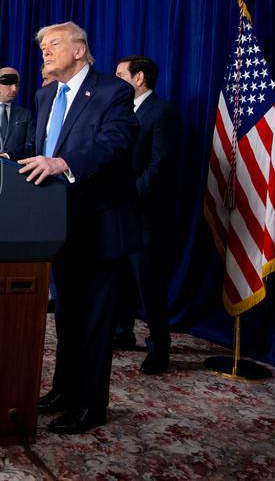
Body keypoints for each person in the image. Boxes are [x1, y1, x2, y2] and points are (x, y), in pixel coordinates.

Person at [18, 21, 140, 435]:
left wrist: (63, 163)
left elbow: (113, 145)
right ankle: (64, 391)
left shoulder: (112, 91)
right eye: (42, 48)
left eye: (52, 45)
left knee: (95, 321)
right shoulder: (44, 93)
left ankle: (91, 405)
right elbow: (40, 150)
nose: (45, 53)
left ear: (79, 49)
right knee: (67, 316)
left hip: (100, 224)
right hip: (57, 225)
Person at [114, 55, 179, 374]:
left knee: (148, 282)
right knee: (122, 277)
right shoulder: (122, 112)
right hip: (120, 212)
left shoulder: (162, 111)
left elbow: (160, 164)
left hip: (146, 213)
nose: (115, 80)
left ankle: (159, 347)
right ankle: (123, 332)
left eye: (120, 74)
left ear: (139, 78)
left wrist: (129, 196)